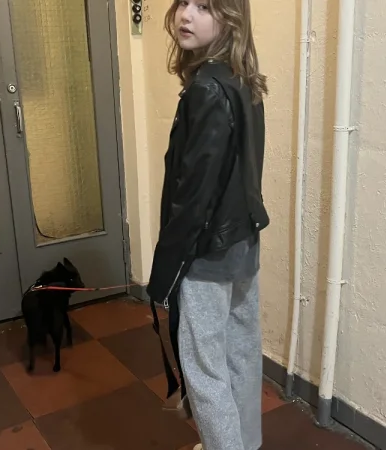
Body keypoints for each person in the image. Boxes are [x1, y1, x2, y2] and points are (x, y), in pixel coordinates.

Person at [146, 0, 269, 449]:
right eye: (183, 2)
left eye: (204, 6)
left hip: (207, 251)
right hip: (242, 241)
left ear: (230, 17)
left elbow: (193, 196)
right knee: (240, 354)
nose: (186, 15)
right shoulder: (244, 79)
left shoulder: (207, 89)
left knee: (205, 367)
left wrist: (166, 271)